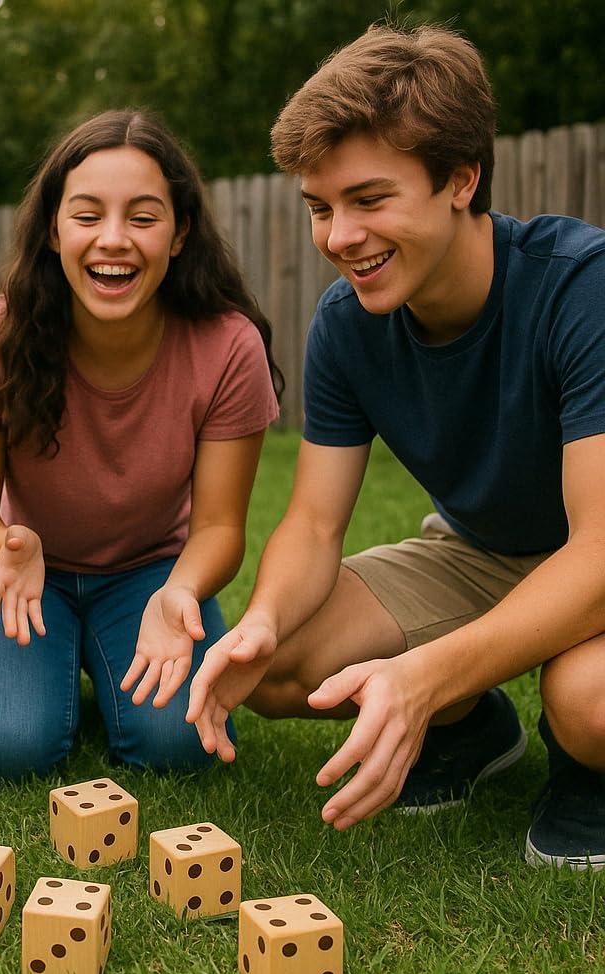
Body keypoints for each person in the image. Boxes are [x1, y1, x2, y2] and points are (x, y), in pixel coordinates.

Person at [176, 24, 605, 869]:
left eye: (369, 200)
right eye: (320, 208)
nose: (339, 237)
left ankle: (587, 768)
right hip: (482, 552)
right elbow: (310, 526)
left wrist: (428, 670)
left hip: (593, 554)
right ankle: (473, 728)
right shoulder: (346, 325)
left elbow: (597, 554)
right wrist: (261, 622)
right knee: (275, 666)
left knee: (587, 701)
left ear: (460, 178)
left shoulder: (580, 288)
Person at [0, 109, 282, 781]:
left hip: (151, 572)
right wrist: (8, 544)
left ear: (180, 234)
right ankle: (46, 673)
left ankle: (98, 655)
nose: (114, 241)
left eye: (144, 218)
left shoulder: (227, 345)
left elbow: (218, 527)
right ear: (53, 231)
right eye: (87, 216)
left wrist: (179, 591)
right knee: (9, 750)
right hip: (14, 570)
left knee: (180, 750)